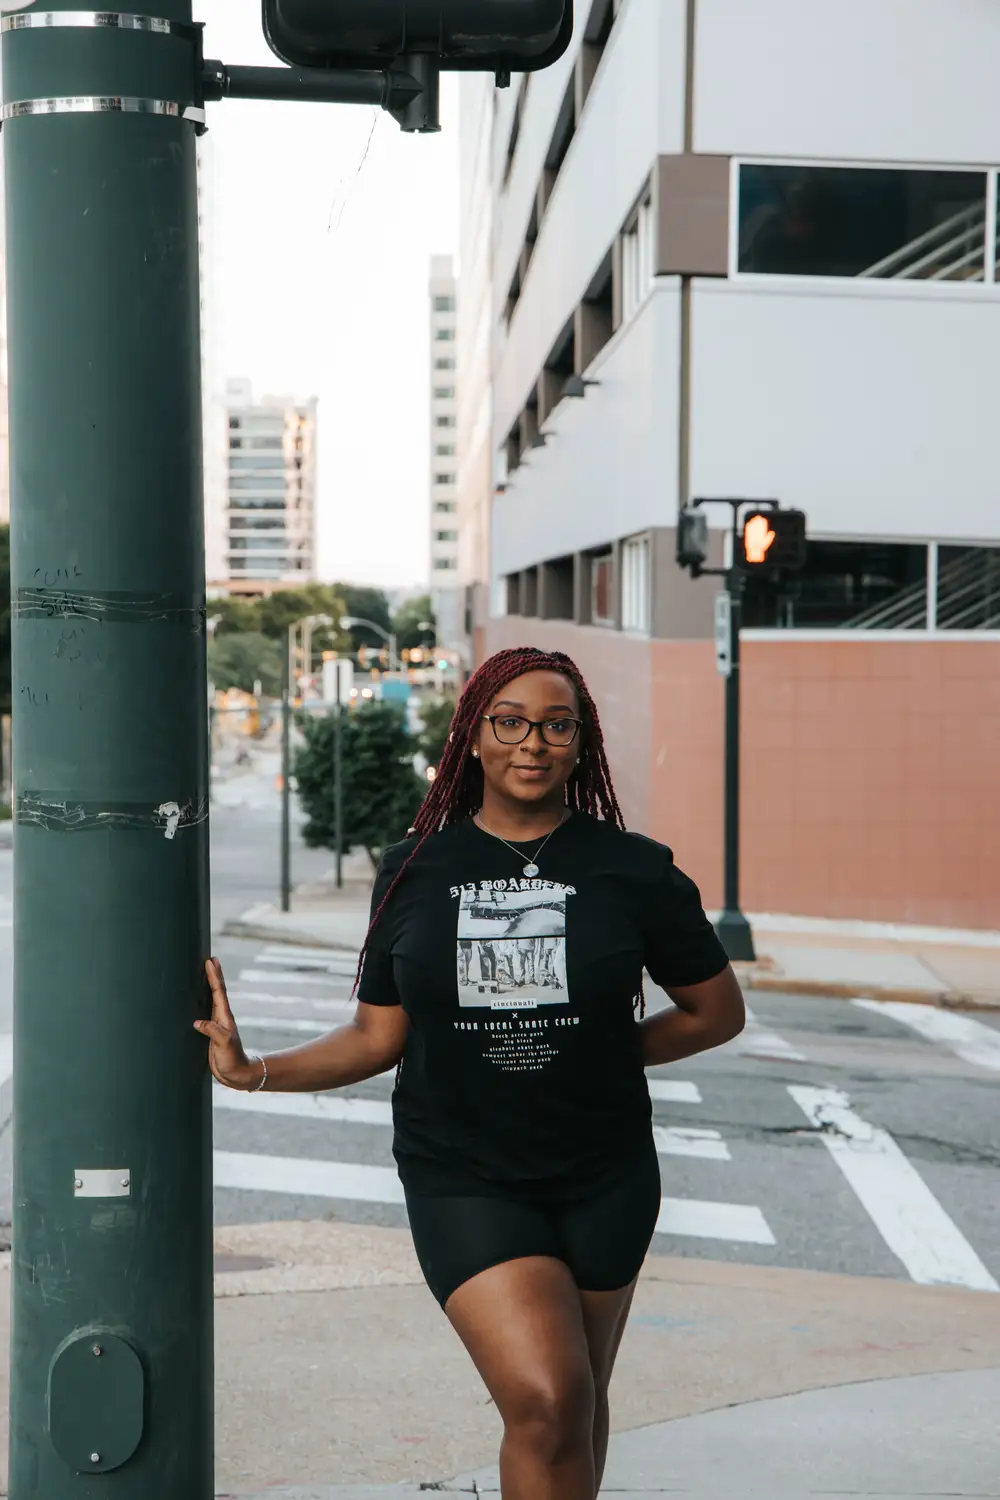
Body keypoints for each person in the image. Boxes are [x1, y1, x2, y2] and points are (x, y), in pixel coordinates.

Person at [198, 646, 745, 1500]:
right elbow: (377, 1037)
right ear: (474, 736)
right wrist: (252, 1069)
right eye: (512, 721)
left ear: (580, 743)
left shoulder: (635, 870)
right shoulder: (415, 869)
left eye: (557, 724)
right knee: (546, 1396)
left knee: (577, 1405)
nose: (534, 742)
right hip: (465, 1174)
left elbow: (718, 1013)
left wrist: (594, 1050)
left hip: (605, 1173)